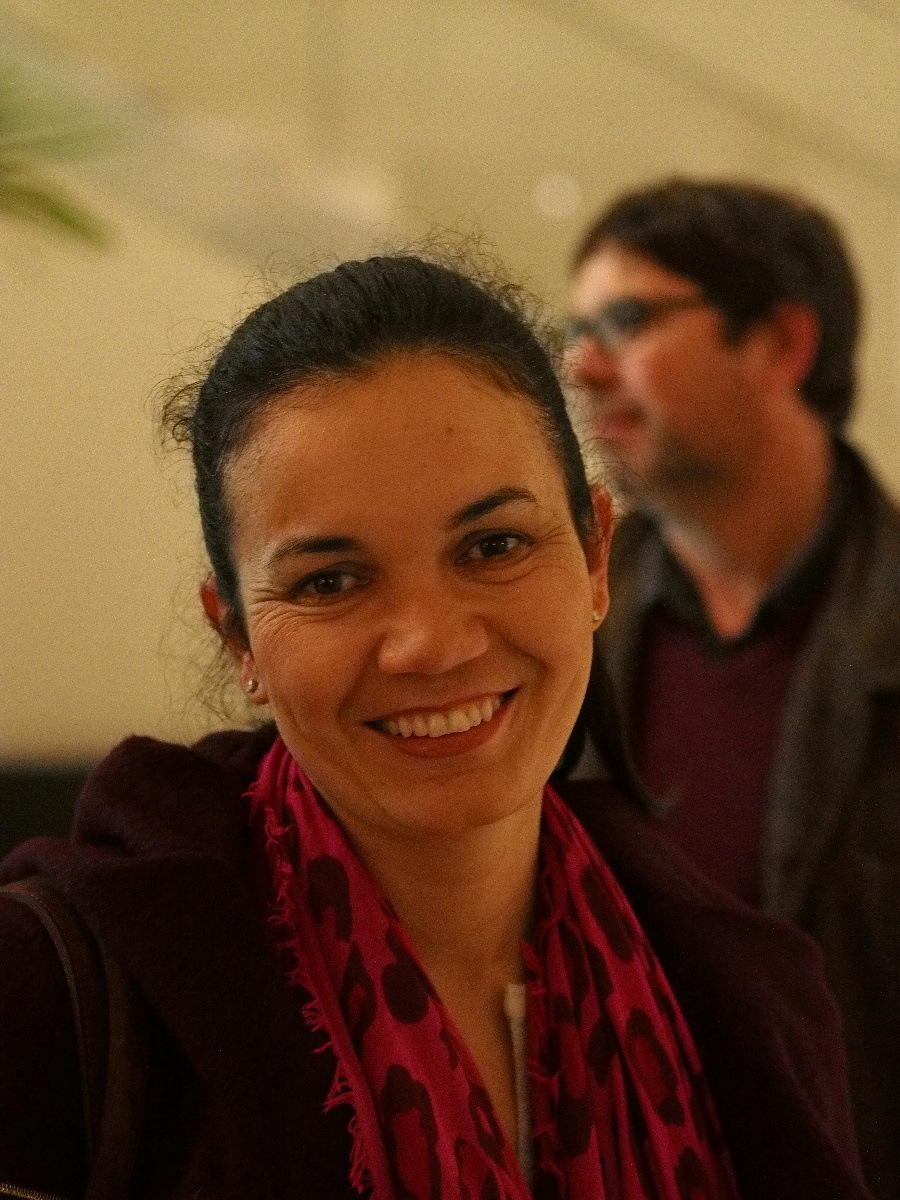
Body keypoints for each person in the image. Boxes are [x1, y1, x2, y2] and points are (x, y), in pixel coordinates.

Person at [0, 254, 871, 1200]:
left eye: (493, 545)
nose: (431, 644)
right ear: (238, 636)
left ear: (594, 559)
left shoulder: (753, 998)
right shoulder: (56, 998)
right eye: (330, 581)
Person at [567, 178, 900, 1200]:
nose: (582, 367)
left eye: (628, 320)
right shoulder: (560, 620)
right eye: (577, 330)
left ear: (781, 343)